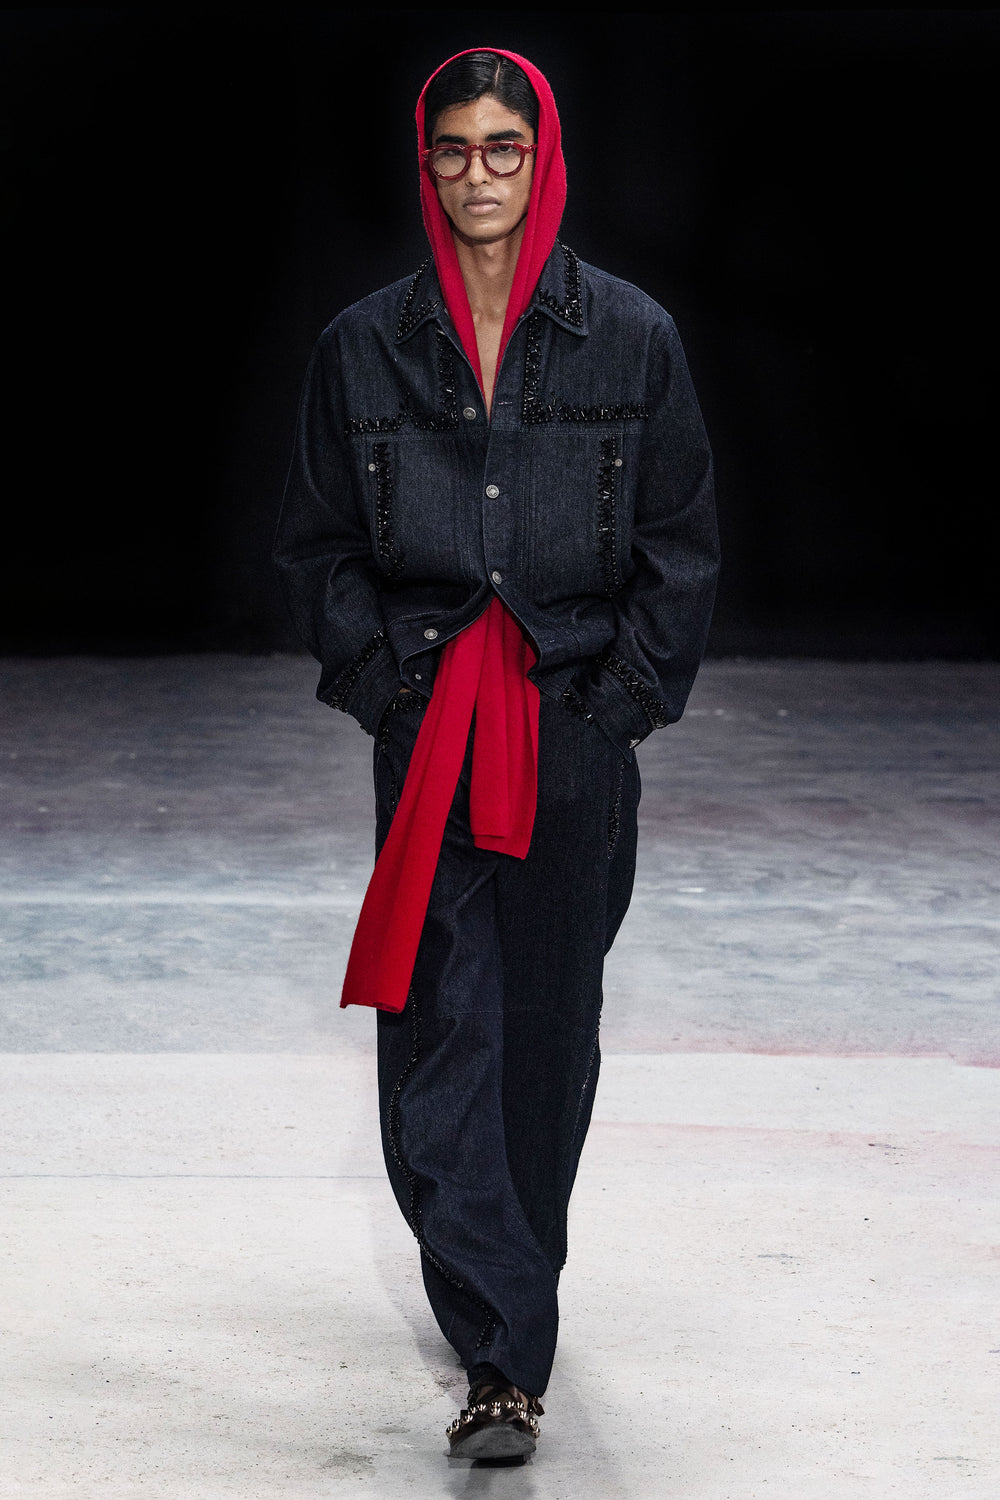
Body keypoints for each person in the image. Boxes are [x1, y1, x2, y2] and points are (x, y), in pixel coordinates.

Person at [273, 47, 719, 1461]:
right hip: (431, 737)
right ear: (429, 164)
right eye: (456, 148)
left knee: (543, 1040)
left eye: (503, 148)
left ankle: (506, 1350)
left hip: (572, 731)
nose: (480, 173)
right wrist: (386, 691)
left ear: (544, 159)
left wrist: (620, 703)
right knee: (435, 1038)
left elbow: (681, 544)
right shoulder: (364, 347)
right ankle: (500, 1337)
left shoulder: (631, 338)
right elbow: (321, 547)